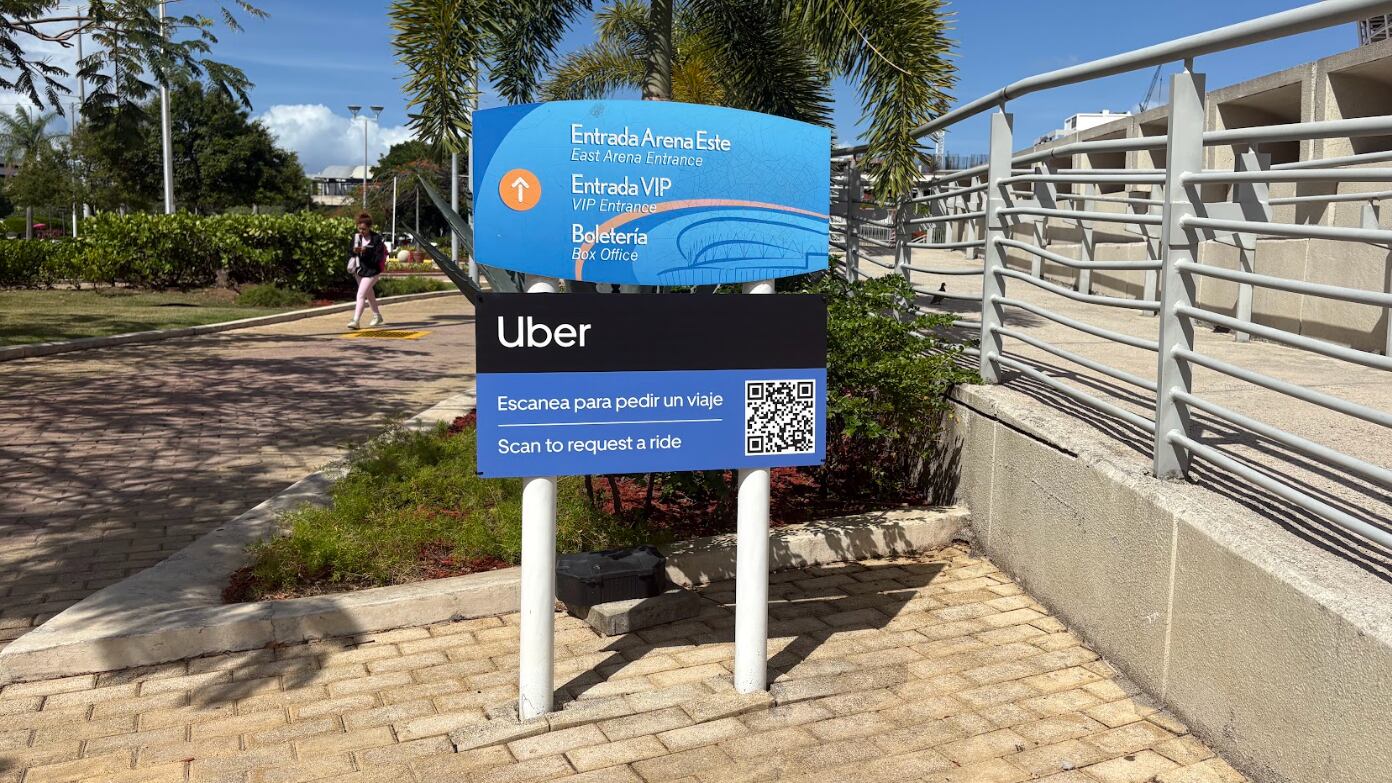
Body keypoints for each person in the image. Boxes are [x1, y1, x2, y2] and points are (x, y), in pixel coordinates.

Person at [348, 211, 386, 329]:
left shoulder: (376, 239)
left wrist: (367, 251)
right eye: (359, 228)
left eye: (364, 229)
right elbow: (349, 252)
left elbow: (378, 256)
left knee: (360, 295)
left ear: (369, 227)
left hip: (372, 271)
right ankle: (377, 316)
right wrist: (355, 251)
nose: (361, 231)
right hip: (359, 270)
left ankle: (356, 320)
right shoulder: (356, 238)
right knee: (369, 294)